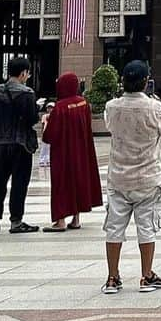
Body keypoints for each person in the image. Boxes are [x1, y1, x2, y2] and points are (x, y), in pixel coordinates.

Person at [102, 59, 161, 294]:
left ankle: (112, 277)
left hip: (119, 176)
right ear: (146, 82)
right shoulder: (155, 107)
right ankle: (146, 275)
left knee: (114, 228)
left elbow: (110, 127)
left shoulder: (112, 106)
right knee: (147, 228)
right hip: (148, 176)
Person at [0, 54, 40, 234]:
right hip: (21, 144)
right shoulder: (28, 94)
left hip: (1, 144)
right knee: (19, 183)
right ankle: (16, 220)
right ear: (24, 73)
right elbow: (32, 119)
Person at [42, 72, 103, 232]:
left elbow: (49, 136)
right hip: (81, 152)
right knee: (78, 181)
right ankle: (76, 219)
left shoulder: (59, 108)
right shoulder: (84, 104)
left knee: (62, 184)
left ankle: (60, 220)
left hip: (63, 154)